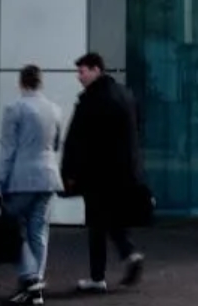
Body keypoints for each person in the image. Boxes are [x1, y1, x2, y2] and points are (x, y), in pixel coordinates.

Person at [60, 52, 149, 292]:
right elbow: (137, 127)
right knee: (114, 218)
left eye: (83, 71)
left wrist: (68, 172)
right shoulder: (125, 94)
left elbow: (77, 139)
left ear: (96, 69)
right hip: (125, 171)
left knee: (97, 224)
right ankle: (130, 254)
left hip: (99, 173)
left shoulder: (92, 100)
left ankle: (97, 277)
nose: (79, 77)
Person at [0, 64, 65, 306]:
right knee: (38, 232)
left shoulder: (15, 109)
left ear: (21, 83)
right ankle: (35, 287)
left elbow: (7, 151)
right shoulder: (55, 109)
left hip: (22, 179)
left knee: (9, 229)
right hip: (49, 178)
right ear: (40, 83)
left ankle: (30, 277)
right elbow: (56, 145)